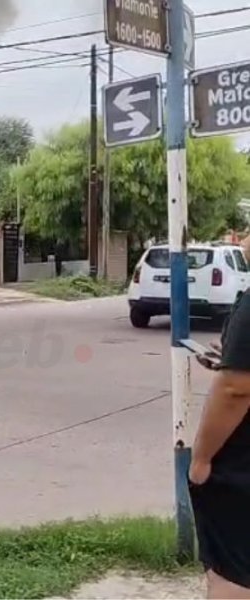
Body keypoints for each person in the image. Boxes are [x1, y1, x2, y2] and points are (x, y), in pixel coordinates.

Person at [191, 236, 250, 598]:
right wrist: (232, 356)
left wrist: (200, 458)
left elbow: (236, 389)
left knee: (232, 572)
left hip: (241, 469)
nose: (244, 241)